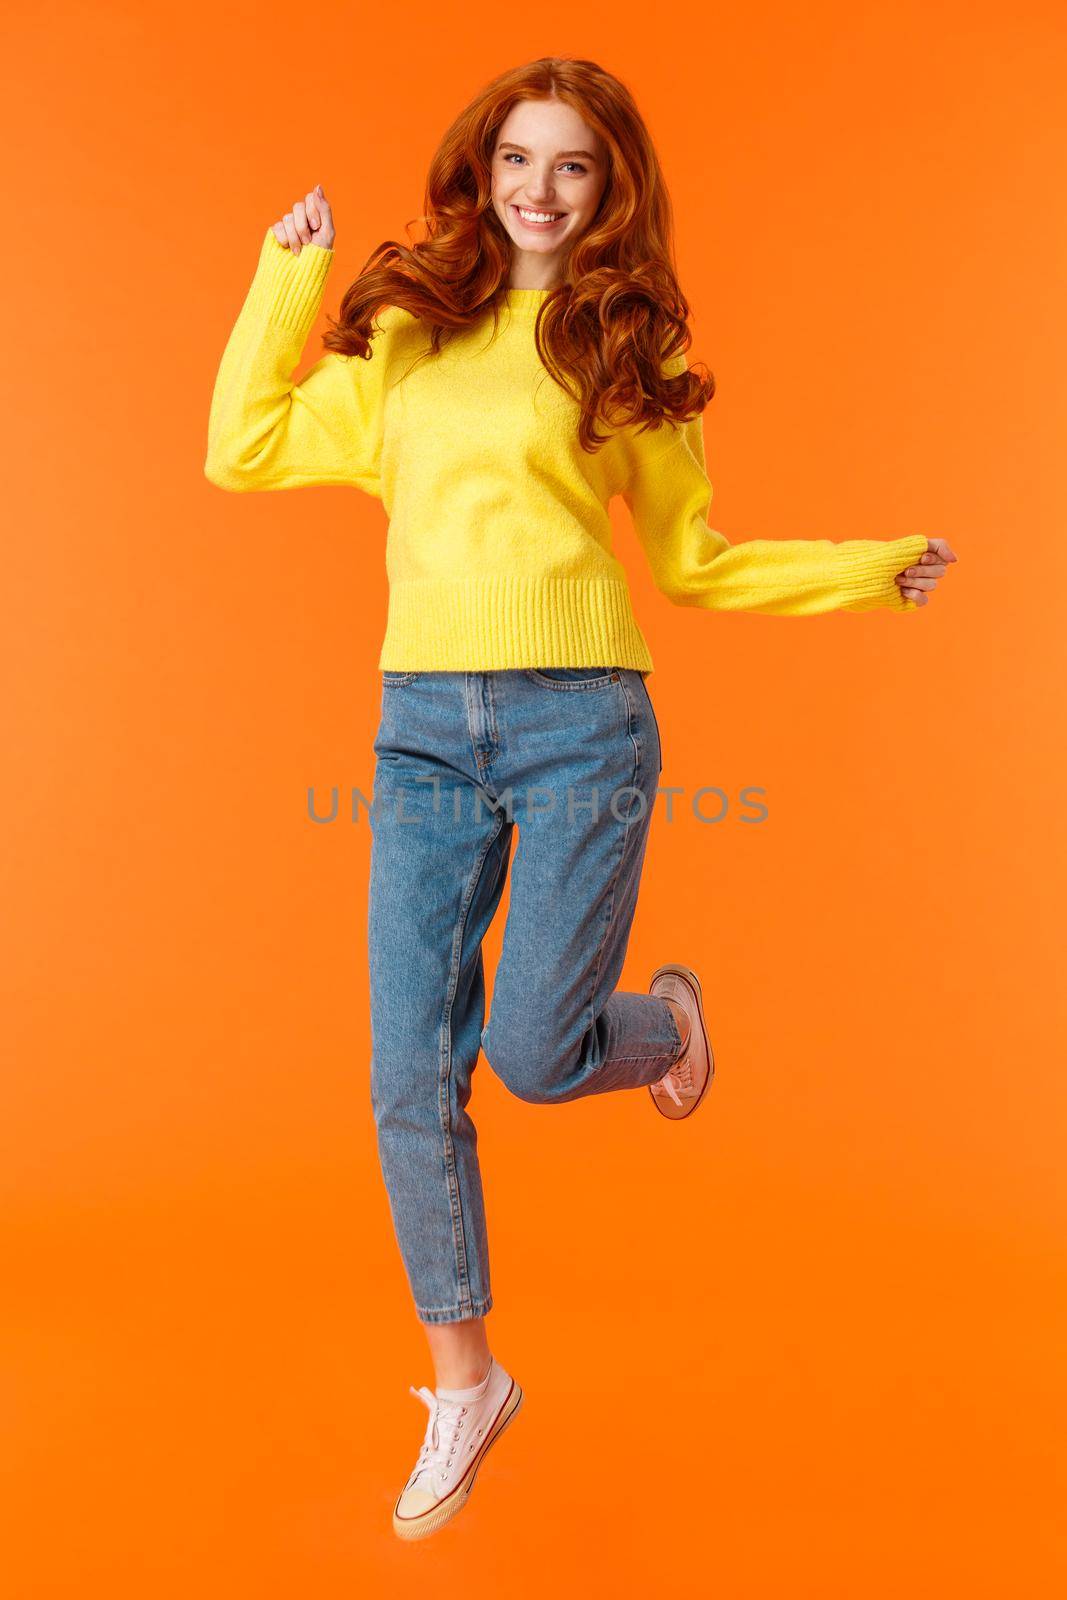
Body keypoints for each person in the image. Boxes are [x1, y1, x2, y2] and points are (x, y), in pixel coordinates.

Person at [204, 57, 957, 1541]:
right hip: (422, 728)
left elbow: (693, 562)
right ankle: (465, 1384)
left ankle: (665, 1025)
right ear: (481, 172)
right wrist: (283, 279)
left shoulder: (616, 351)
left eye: (573, 168)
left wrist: (867, 572)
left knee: (540, 1061)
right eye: (518, 161)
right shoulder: (411, 341)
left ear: (610, 191)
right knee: (407, 1074)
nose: (539, 189)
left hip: (581, 726)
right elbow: (244, 446)